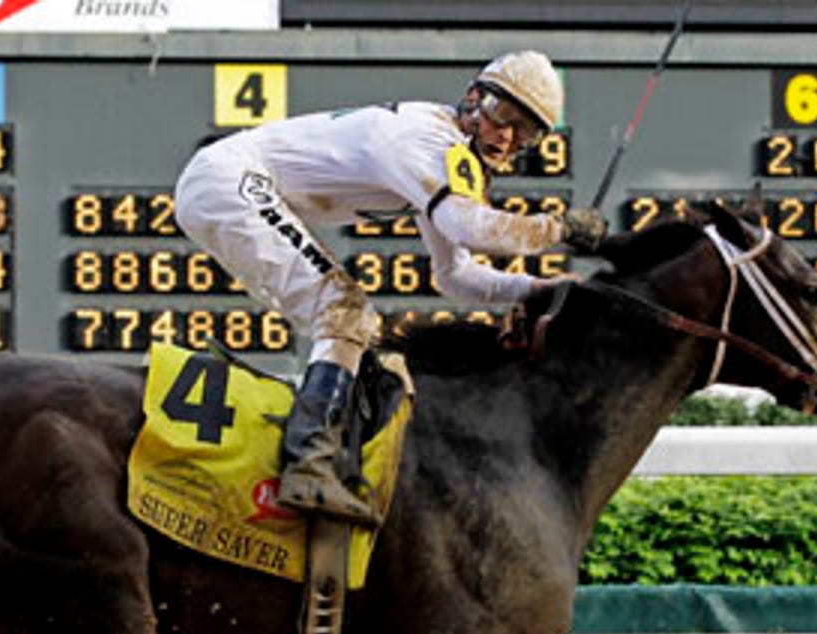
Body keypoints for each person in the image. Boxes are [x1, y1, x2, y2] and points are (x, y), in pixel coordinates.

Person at [175, 50, 608, 526]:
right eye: (503, 117)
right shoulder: (426, 139)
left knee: (352, 329)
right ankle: (307, 464)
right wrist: (557, 229)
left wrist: (535, 290)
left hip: (230, 186)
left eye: (524, 132)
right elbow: (471, 229)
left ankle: (324, 461)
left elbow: (454, 276)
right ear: (473, 98)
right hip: (228, 181)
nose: (506, 138)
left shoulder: (449, 161)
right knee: (344, 310)